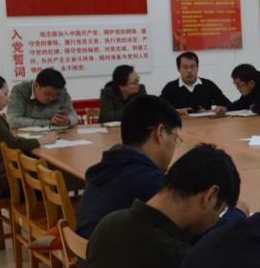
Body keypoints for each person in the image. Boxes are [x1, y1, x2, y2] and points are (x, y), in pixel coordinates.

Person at [86, 144, 241, 268]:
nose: (217, 220)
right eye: (221, 211)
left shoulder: (107, 225)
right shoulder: (180, 262)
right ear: (210, 195)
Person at [76, 96, 182, 238]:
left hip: (85, 250)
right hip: (113, 252)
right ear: (160, 133)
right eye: (175, 138)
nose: (174, 145)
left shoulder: (110, 164)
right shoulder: (149, 182)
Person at [159, 51, 231, 115]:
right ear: (178, 69)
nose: (189, 70)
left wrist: (216, 110)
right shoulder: (170, 87)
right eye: (185, 67)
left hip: (206, 124)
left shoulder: (208, 85)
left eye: (192, 66)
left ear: (197, 67)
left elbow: (228, 105)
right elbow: (158, 109)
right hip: (181, 125)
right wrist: (178, 111)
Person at [6, 68, 79, 128]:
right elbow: (13, 121)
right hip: (25, 137)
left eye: (56, 95)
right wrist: (49, 122)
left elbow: (72, 114)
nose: (52, 98)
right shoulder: (20, 91)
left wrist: (67, 121)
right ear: (37, 85)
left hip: (55, 135)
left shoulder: (61, 92)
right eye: (48, 94)